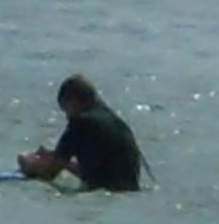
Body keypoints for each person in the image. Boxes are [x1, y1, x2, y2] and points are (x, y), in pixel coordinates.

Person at [18, 74, 147, 191]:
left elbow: (50, 173)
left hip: (102, 193)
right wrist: (54, 157)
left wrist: (28, 164)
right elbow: (100, 169)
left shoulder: (80, 122)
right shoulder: (116, 122)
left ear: (73, 102)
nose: (67, 117)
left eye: (65, 110)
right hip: (128, 189)